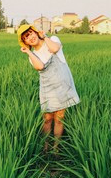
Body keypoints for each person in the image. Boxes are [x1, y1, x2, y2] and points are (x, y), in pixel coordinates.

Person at [17, 24, 80, 154]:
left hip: (62, 85)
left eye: (30, 33)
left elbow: (55, 49)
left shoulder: (53, 40)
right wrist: (28, 51)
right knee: (47, 118)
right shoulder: (32, 56)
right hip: (47, 87)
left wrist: (44, 36)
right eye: (26, 38)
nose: (30, 37)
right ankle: (45, 147)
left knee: (59, 118)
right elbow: (40, 67)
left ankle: (56, 148)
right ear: (25, 42)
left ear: (35, 32)